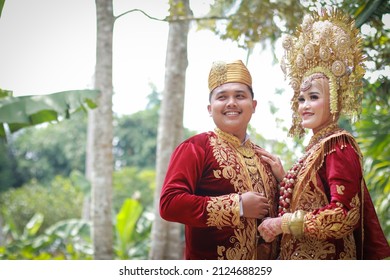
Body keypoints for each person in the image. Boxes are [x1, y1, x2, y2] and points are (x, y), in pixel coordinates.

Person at [257, 8, 390, 260]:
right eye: (301, 98)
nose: (304, 105)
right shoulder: (317, 148)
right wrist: (285, 178)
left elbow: (343, 215)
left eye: (314, 97)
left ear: (334, 101)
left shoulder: (338, 145)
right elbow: (316, 200)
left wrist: (281, 224)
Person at [159, 60, 279, 260]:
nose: (231, 102)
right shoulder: (195, 148)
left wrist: (284, 180)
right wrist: (238, 205)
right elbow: (170, 204)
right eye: (222, 97)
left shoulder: (265, 158)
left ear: (254, 105)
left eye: (240, 96)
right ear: (210, 108)